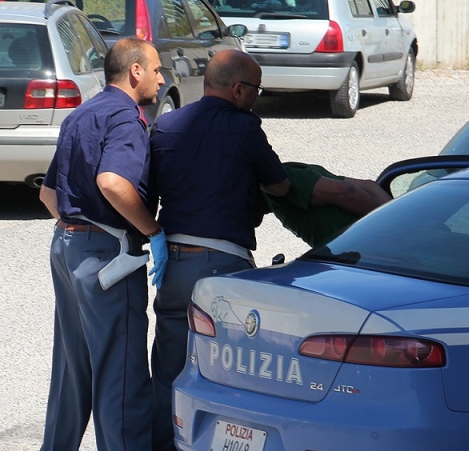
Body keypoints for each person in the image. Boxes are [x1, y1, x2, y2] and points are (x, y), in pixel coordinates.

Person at [148, 49, 290, 450]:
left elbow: (148, 193)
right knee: (228, 374)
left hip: (173, 267)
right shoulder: (245, 130)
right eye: (256, 91)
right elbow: (279, 185)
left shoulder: (167, 125)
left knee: (169, 370)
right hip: (224, 267)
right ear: (239, 89)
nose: (257, 98)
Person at [38, 37, 168, 450]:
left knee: (71, 374)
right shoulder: (126, 119)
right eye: (157, 70)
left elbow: (48, 195)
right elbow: (112, 182)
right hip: (106, 258)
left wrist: (79, 228)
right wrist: (153, 231)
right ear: (135, 72)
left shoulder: (82, 113)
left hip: (66, 246)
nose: (161, 78)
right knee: (121, 376)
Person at [262, 162, 392, 247]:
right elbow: (369, 186)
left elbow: (346, 192)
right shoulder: (295, 171)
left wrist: (394, 225)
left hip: (363, 259)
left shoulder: (289, 178)